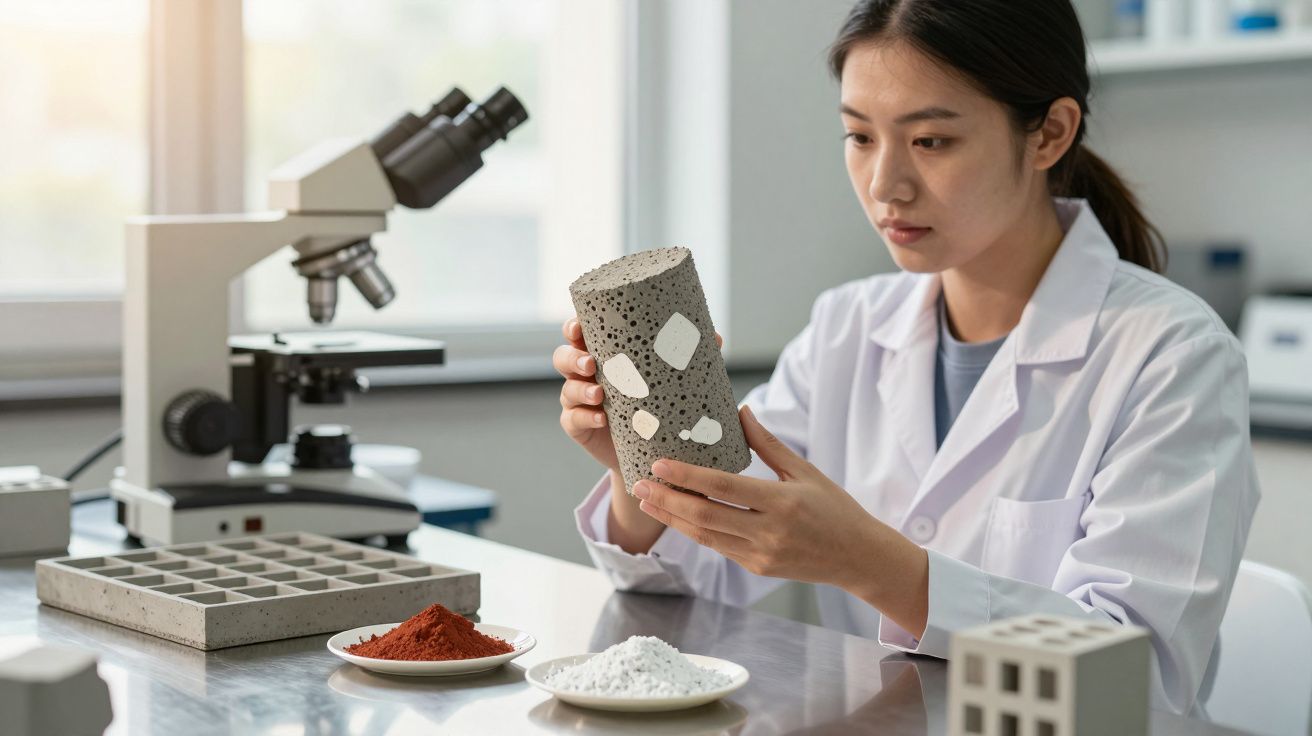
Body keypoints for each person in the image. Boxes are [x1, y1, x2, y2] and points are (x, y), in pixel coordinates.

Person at [552, 0, 1258, 716]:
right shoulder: (847, 328)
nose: (886, 184)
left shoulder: (1174, 358)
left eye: (931, 142)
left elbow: (1134, 684)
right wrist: (639, 472)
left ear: (1049, 133)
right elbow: (690, 586)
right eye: (859, 136)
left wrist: (871, 563)